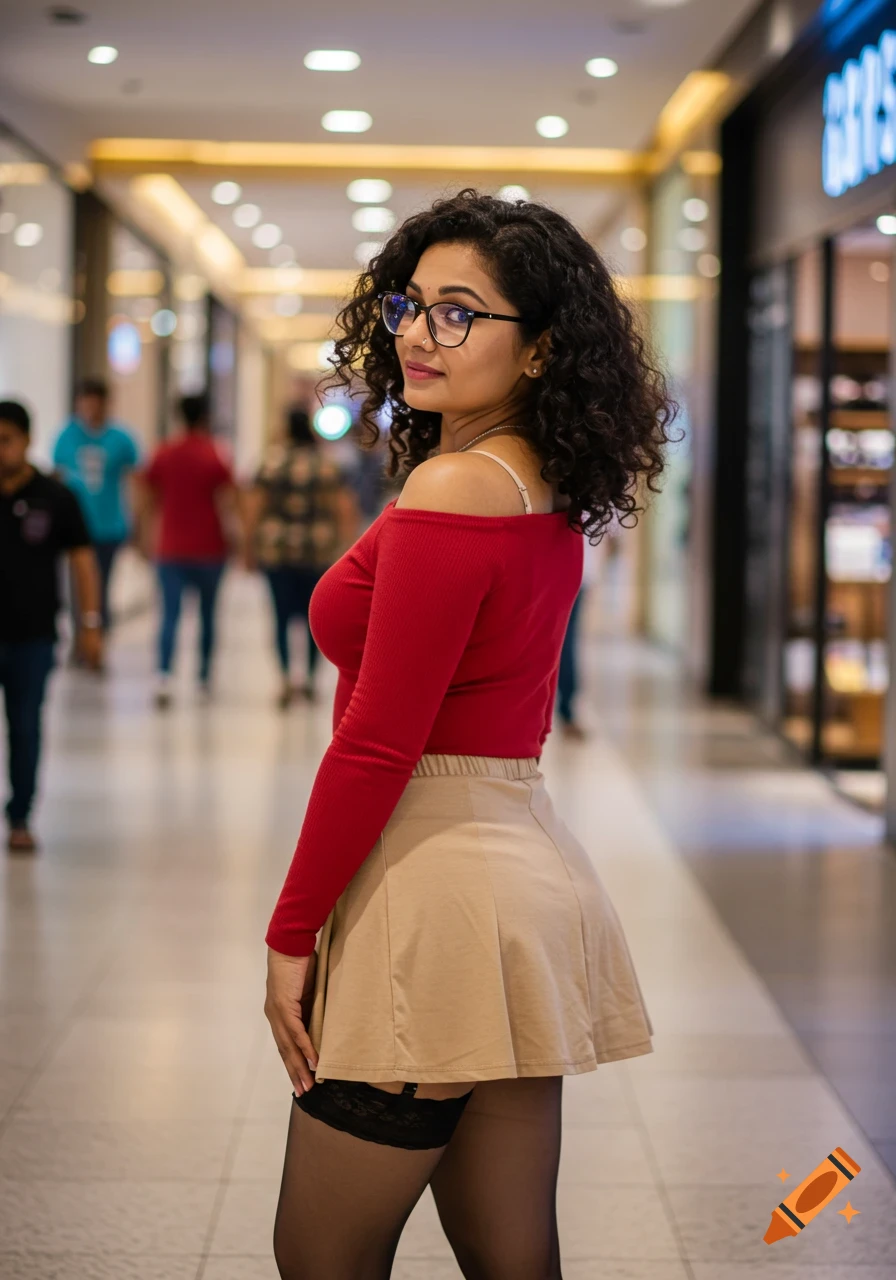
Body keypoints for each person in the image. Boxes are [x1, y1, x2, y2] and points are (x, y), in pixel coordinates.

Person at [262, 189, 676, 1279]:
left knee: (318, 1252)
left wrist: (289, 931)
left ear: (537, 351)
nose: (415, 332)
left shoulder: (454, 484)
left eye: (458, 312)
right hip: (510, 864)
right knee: (511, 1254)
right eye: (409, 303)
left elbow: (376, 741)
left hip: (433, 896)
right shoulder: (534, 484)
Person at [0, 400, 102, 854]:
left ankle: (20, 815)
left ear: (26, 440)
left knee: (25, 727)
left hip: (33, 636)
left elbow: (83, 563)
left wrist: (91, 625)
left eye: (5, 440)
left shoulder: (56, 496)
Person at [243, 406, 360, 709]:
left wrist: (247, 547)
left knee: (280, 617)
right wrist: (349, 549)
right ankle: (307, 679)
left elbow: (254, 507)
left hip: (277, 551)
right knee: (313, 620)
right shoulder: (326, 464)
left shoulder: (271, 463)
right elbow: (344, 507)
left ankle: (284, 679)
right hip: (317, 552)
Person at [137, 394, 238, 709]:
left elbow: (147, 498)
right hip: (210, 547)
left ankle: (163, 675)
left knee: (169, 614)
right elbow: (229, 499)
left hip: (171, 548)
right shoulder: (213, 454)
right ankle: (204, 678)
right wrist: (238, 538)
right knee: (208, 615)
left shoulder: (163, 453)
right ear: (205, 418)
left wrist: (142, 536)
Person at [52, 377, 140, 635]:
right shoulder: (66, 436)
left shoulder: (122, 438)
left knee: (100, 585)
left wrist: (138, 523)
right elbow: (56, 478)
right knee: (76, 587)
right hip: (74, 526)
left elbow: (134, 481)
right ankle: (82, 638)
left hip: (109, 526)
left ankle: (98, 637)